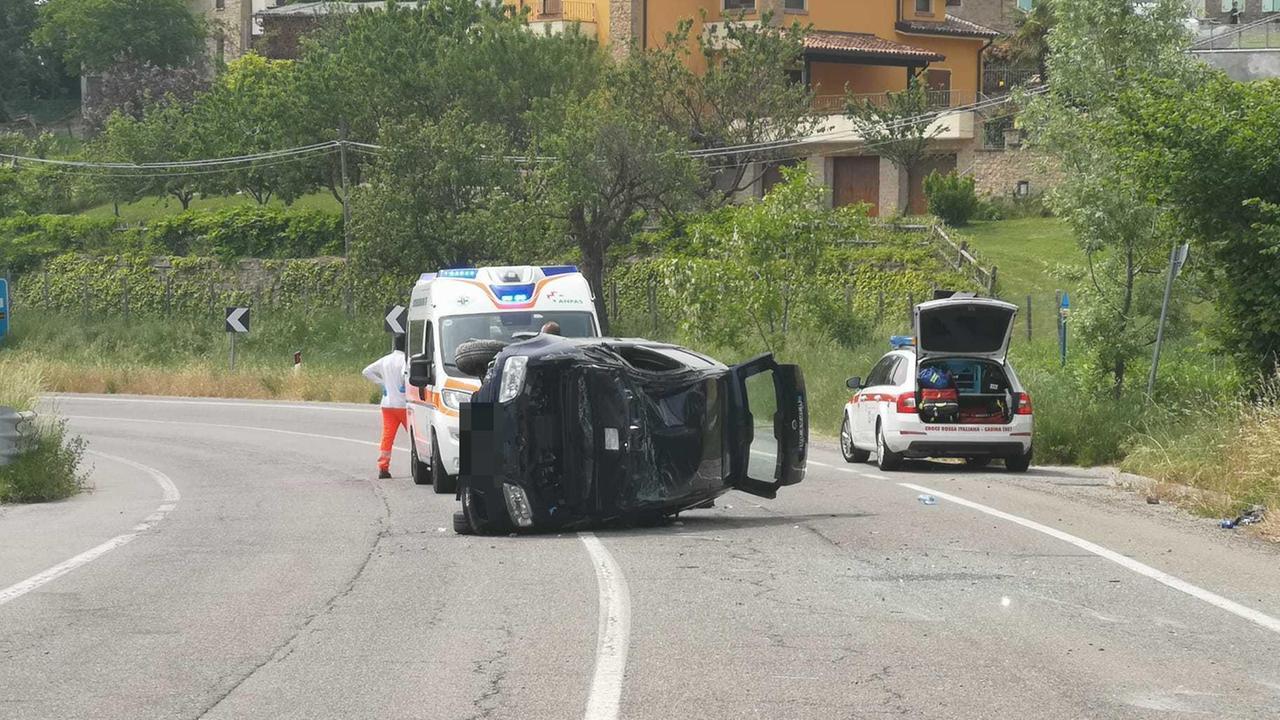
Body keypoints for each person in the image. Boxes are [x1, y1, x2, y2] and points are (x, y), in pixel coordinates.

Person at [362, 335, 408, 479]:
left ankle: (383, 467)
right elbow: (405, 374)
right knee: (414, 435)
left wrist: (382, 383)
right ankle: (419, 463)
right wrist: (403, 386)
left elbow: (366, 371)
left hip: (387, 404)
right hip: (404, 405)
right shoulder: (406, 360)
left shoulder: (385, 360)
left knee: (387, 436)